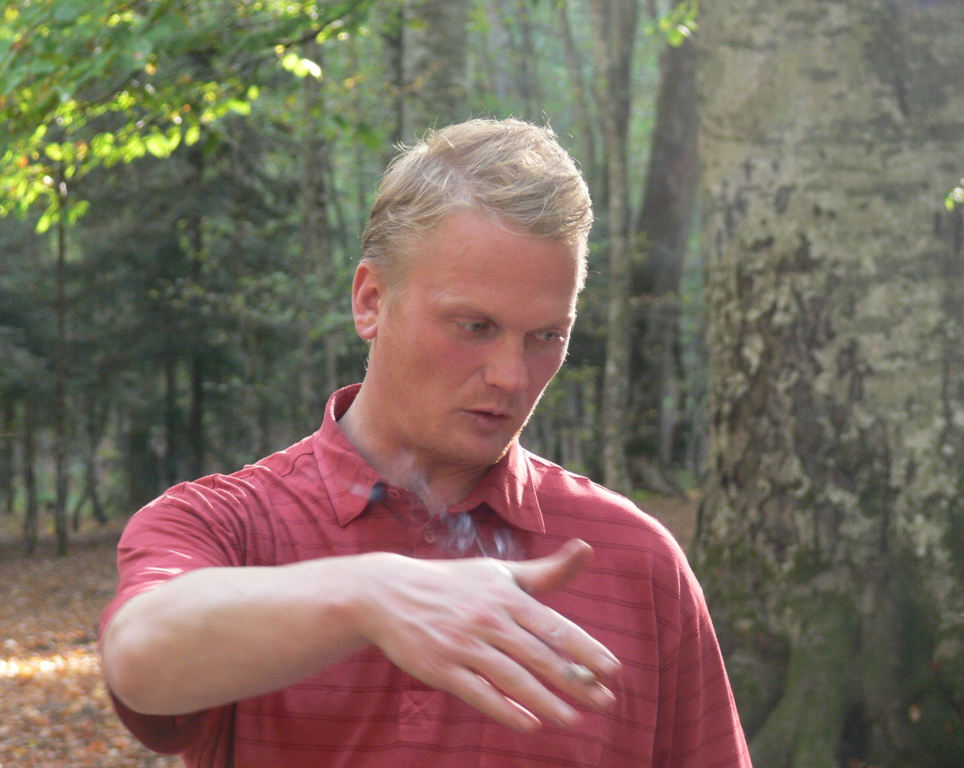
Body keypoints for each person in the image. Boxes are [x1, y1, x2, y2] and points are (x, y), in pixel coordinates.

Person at [100, 117, 752, 768]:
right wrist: (369, 595)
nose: (512, 375)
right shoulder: (228, 525)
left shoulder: (636, 560)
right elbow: (137, 657)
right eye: (474, 326)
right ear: (370, 301)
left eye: (546, 336)